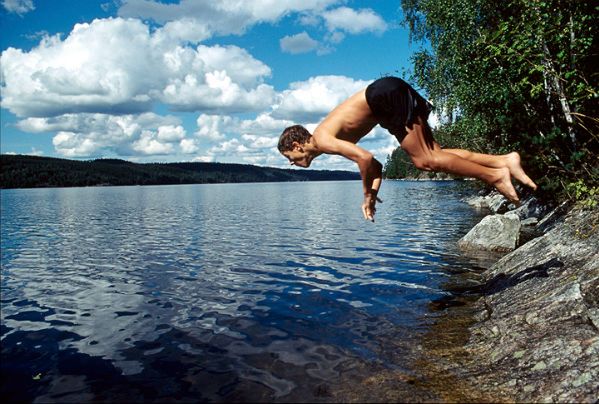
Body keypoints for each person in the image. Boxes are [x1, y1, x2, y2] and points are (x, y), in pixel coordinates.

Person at [277, 76, 537, 222]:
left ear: (298, 145)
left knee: (426, 160)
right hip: (386, 99)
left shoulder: (322, 140)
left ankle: (494, 175)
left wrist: (366, 193)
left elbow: (365, 158)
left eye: (290, 157)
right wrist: (372, 194)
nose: (291, 163)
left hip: (384, 97)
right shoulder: (325, 139)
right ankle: (504, 160)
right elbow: (376, 167)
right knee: (436, 152)